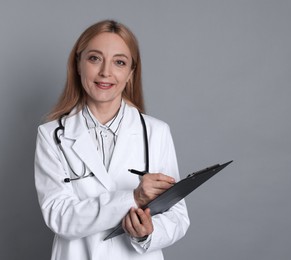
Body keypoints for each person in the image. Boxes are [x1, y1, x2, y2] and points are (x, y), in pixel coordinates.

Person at [34, 20, 190, 260]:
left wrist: (147, 234)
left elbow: (178, 217)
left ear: (130, 73)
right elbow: (59, 216)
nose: (106, 72)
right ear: (78, 64)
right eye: (94, 58)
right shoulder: (52, 135)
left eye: (119, 62)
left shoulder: (156, 132)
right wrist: (133, 198)